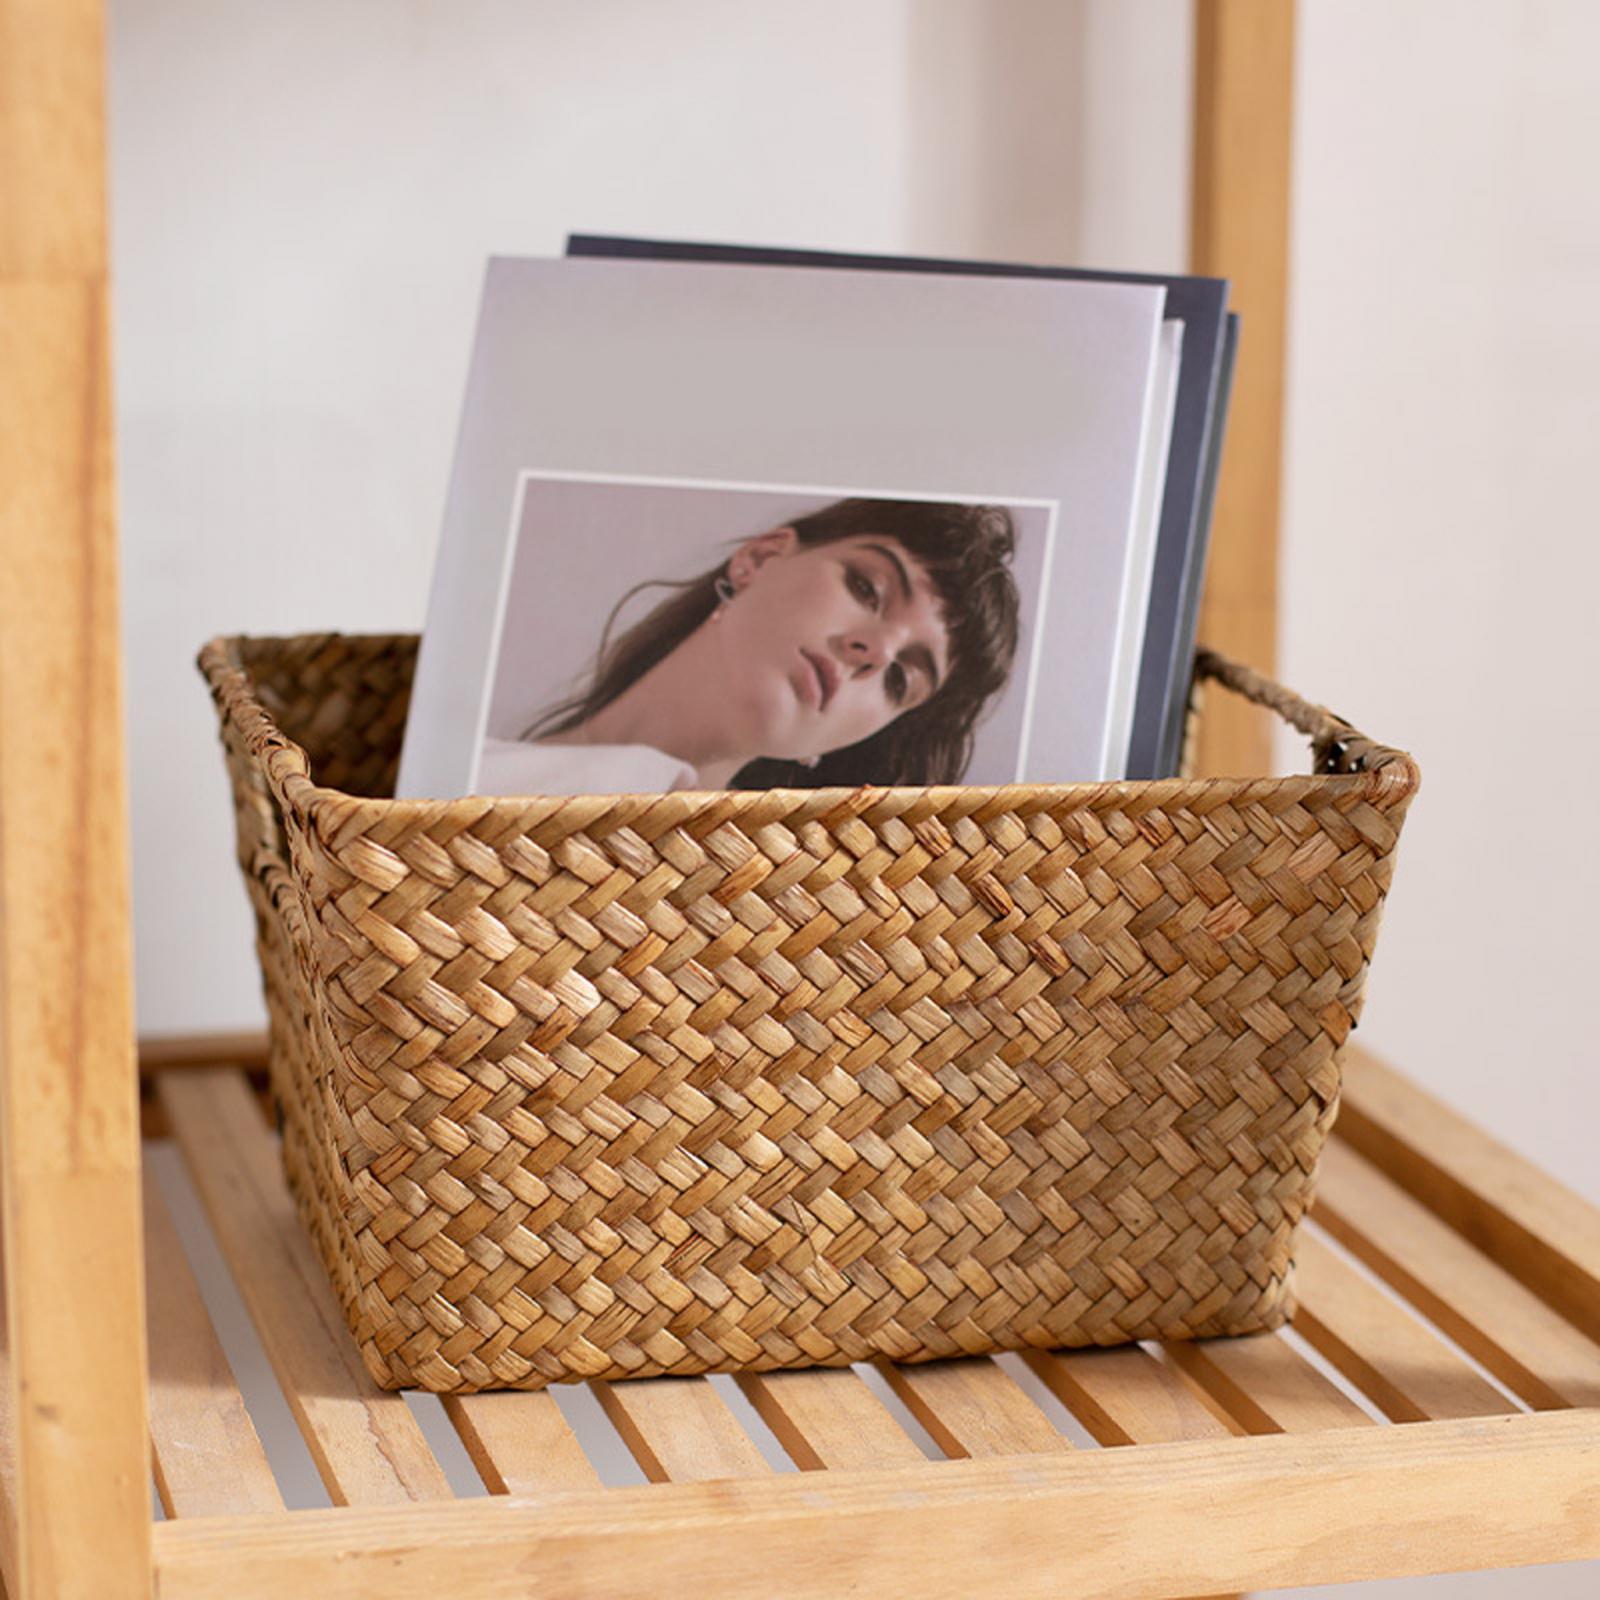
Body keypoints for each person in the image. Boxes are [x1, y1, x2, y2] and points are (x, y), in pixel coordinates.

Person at [476, 497, 1020, 797]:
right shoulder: (457, 767)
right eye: (866, 588)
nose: (876, 652)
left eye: (900, 679)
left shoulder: (775, 917)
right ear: (759, 560)